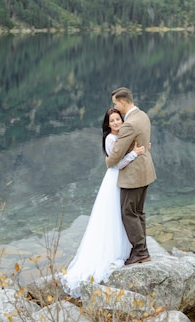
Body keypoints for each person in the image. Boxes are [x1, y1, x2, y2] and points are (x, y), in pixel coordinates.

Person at [62, 108, 146, 297]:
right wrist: (134, 153)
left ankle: (127, 249)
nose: (116, 123)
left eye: (118, 119)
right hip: (115, 179)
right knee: (115, 214)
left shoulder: (124, 134)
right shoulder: (110, 139)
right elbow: (116, 163)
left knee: (122, 213)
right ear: (108, 124)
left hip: (122, 178)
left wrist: (135, 150)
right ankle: (114, 252)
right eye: (113, 121)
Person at [106, 87, 156, 266]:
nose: (115, 107)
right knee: (138, 212)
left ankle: (141, 251)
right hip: (145, 172)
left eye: (115, 104)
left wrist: (108, 160)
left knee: (128, 212)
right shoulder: (143, 116)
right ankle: (141, 248)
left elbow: (116, 155)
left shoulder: (129, 124)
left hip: (133, 176)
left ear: (123, 102)